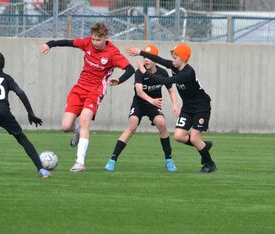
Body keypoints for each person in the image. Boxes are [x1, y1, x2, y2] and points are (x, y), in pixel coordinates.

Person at [39, 22, 134, 172]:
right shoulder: (87, 43)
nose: (95, 43)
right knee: (65, 127)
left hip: (95, 91)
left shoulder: (113, 53)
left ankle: (80, 163)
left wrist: (119, 80)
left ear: (106, 38)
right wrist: (49, 44)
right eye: (93, 39)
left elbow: (130, 69)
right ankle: (77, 130)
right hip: (79, 89)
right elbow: (68, 42)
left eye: (98, 40)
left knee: (84, 121)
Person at [126, 43, 217, 174]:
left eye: (175, 57)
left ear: (183, 59)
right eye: (172, 57)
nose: (172, 60)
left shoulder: (188, 72)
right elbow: (159, 60)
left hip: (201, 107)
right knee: (179, 136)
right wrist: (140, 52)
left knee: (195, 138)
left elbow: (164, 81)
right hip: (188, 107)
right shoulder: (175, 66)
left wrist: (145, 72)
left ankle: (210, 164)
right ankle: (204, 146)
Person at [104, 45, 180, 172]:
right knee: (132, 126)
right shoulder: (140, 72)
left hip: (153, 106)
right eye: (144, 57)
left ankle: (169, 160)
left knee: (162, 124)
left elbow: (171, 90)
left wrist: (175, 104)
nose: (146, 60)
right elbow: (139, 92)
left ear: (155, 59)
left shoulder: (163, 72)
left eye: (149, 57)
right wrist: (152, 100)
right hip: (139, 104)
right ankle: (112, 159)